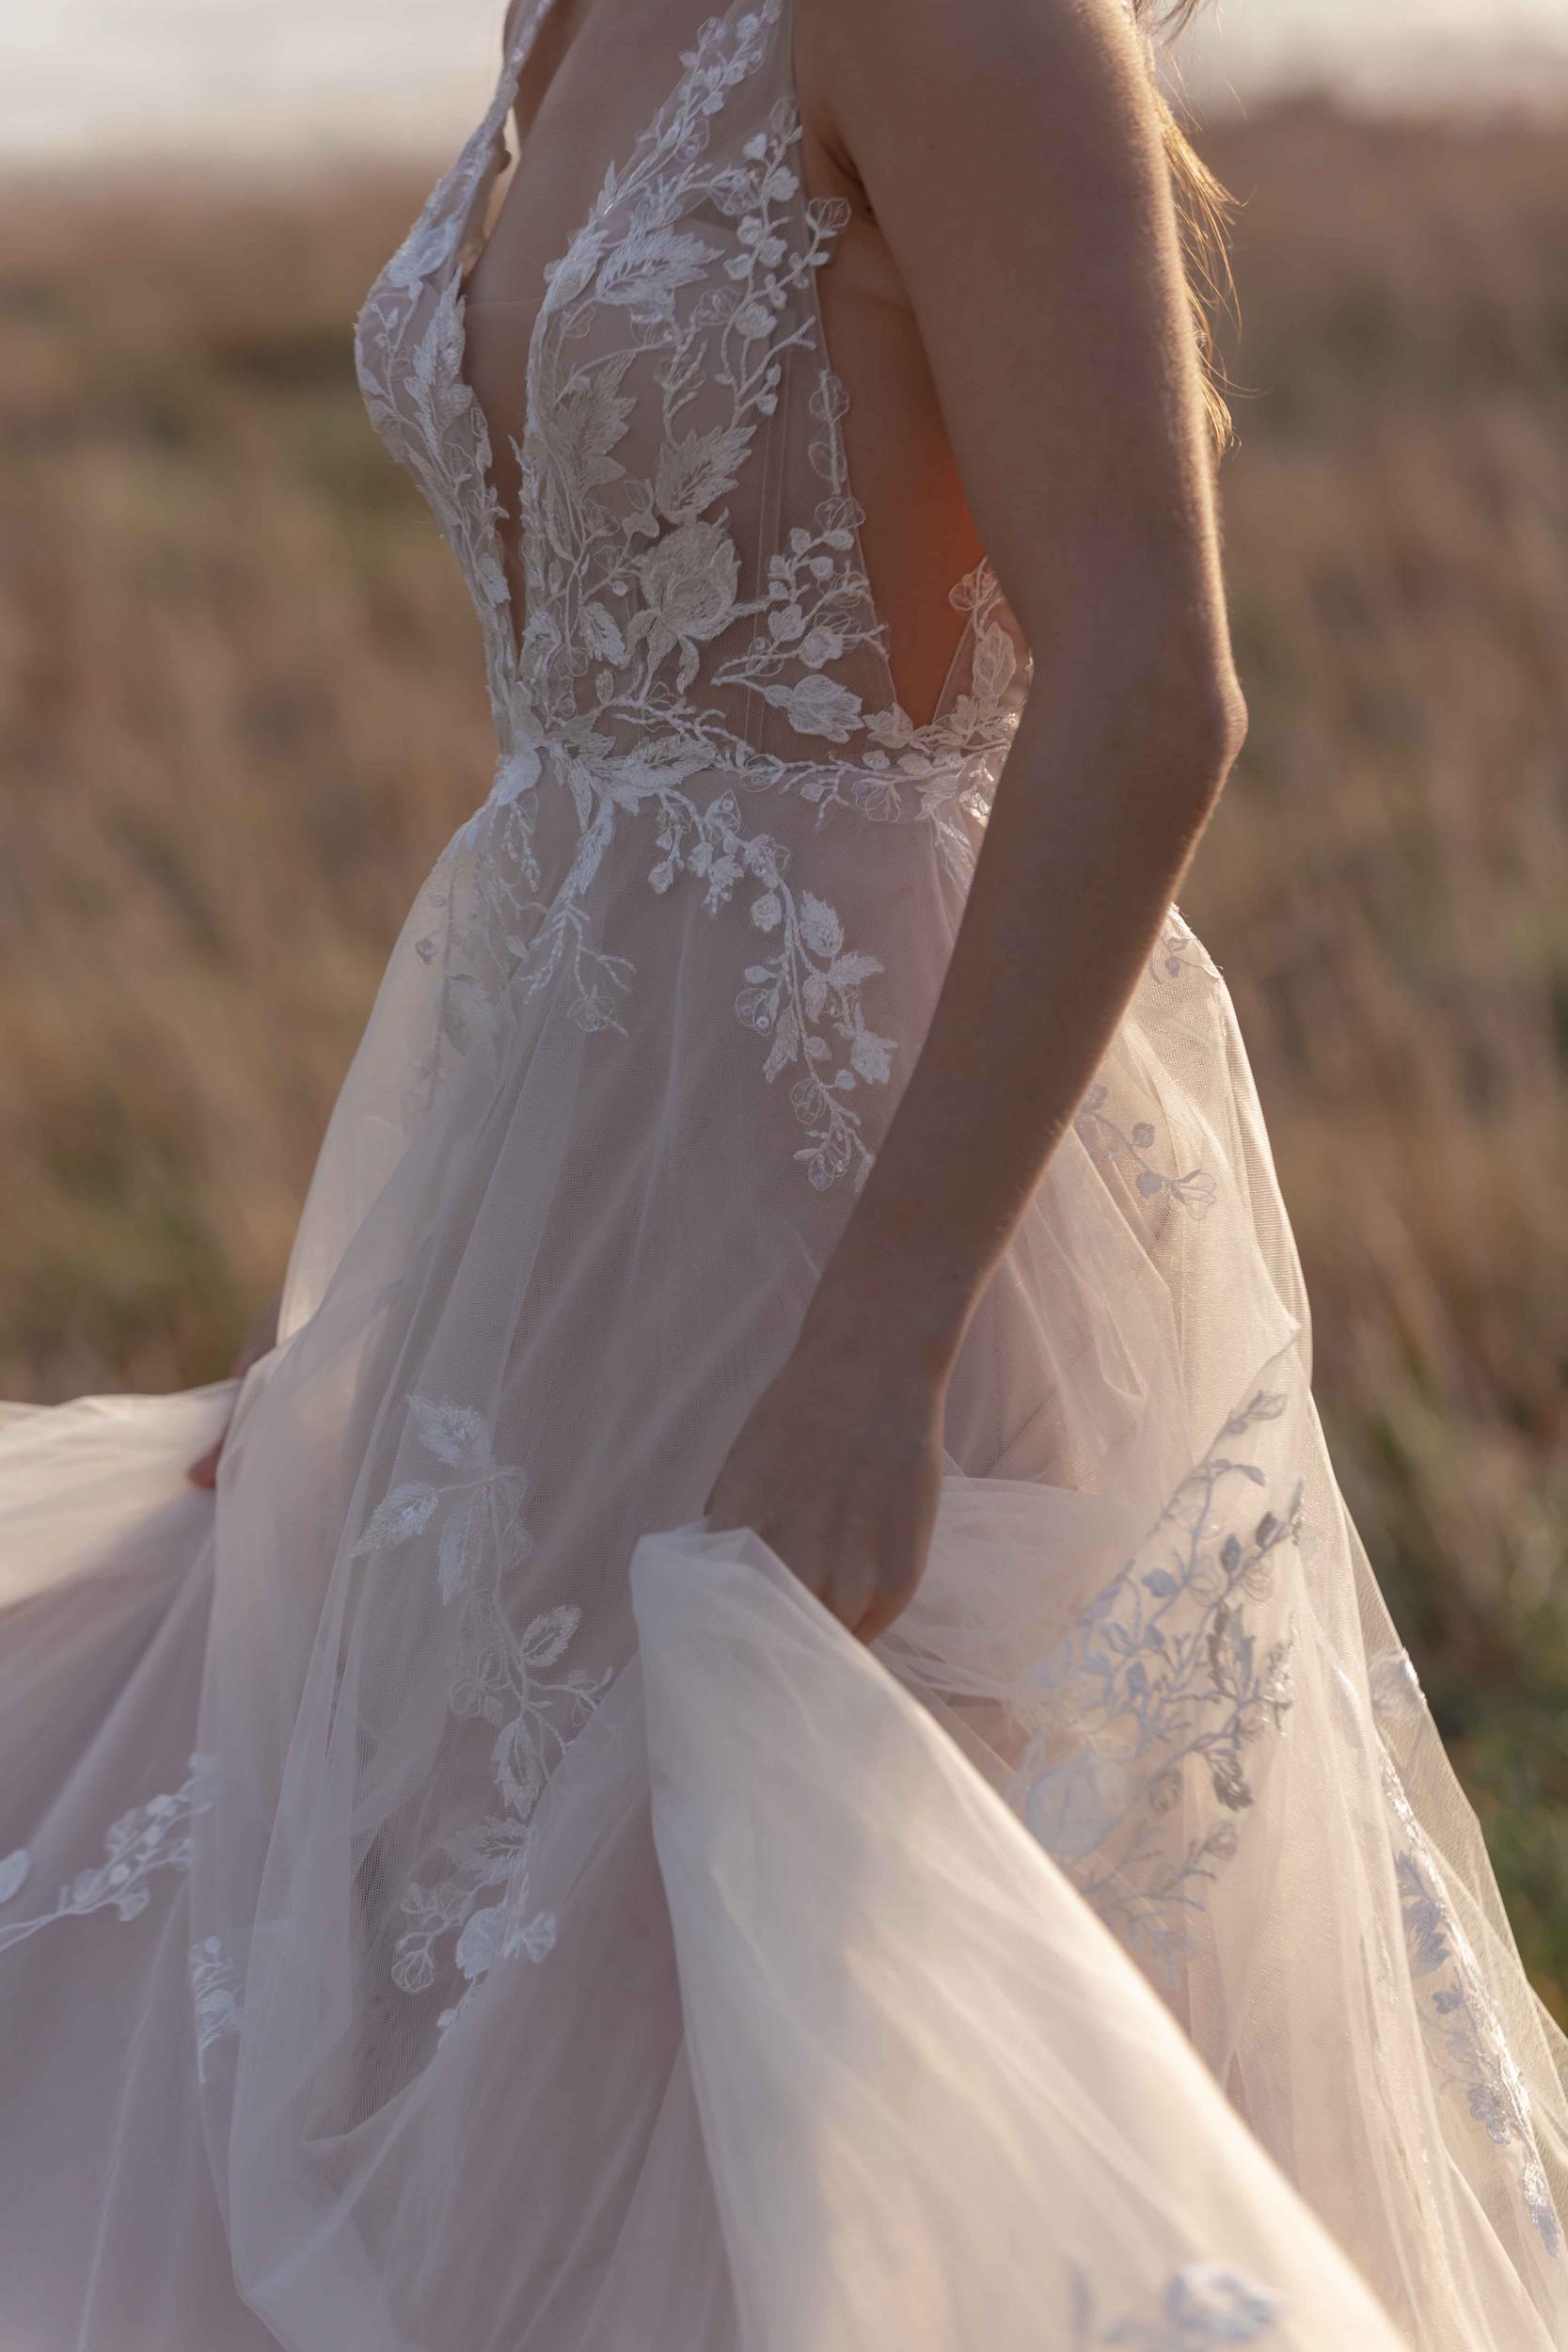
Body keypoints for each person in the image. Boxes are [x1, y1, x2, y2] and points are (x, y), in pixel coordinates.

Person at [1, 3, 1563, 2345]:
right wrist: (370, 1313)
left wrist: (881, 1333)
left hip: (878, 1167)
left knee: (815, 2005)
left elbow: (1149, 678)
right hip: (558, 1178)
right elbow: (596, 762)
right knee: (401, 1952)